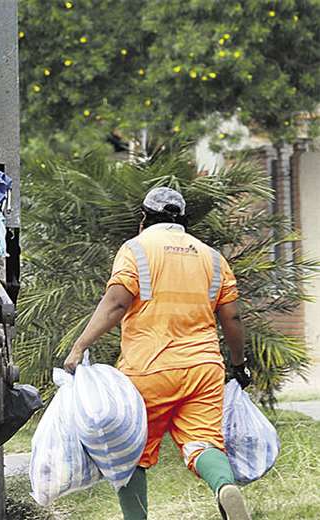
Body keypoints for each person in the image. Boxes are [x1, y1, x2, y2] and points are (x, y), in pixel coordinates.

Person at [63, 187, 252, 520]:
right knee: (203, 444)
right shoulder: (212, 257)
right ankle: (224, 486)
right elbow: (232, 318)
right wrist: (240, 364)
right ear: (182, 220)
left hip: (148, 371)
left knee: (131, 454)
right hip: (203, 369)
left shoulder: (135, 250)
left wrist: (80, 346)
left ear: (144, 218)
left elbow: (117, 303)